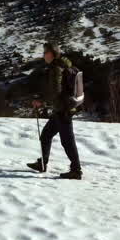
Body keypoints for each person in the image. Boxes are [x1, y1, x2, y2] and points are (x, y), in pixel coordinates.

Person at [28, 42, 83, 180]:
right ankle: (42, 163)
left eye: (45, 52)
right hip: (62, 108)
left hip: (63, 109)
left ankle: (76, 171)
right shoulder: (64, 64)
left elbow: (55, 92)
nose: (44, 55)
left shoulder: (56, 68)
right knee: (46, 135)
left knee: (68, 141)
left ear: (52, 54)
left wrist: (41, 101)